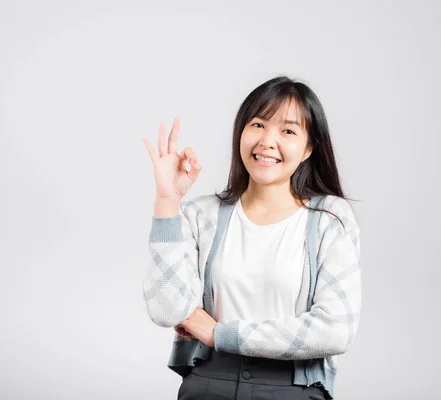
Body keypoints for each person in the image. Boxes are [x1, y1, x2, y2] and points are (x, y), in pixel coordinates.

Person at [141, 76, 361, 400]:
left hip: (291, 389)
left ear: (308, 148)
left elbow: (336, 330)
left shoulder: (330, 219)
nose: (267, 141)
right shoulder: (201, 216)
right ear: (241, 132)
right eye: (258, 124)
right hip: (207, 384)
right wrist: (167, 202)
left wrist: (220, 334)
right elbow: (166, 310)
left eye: (287, 131)